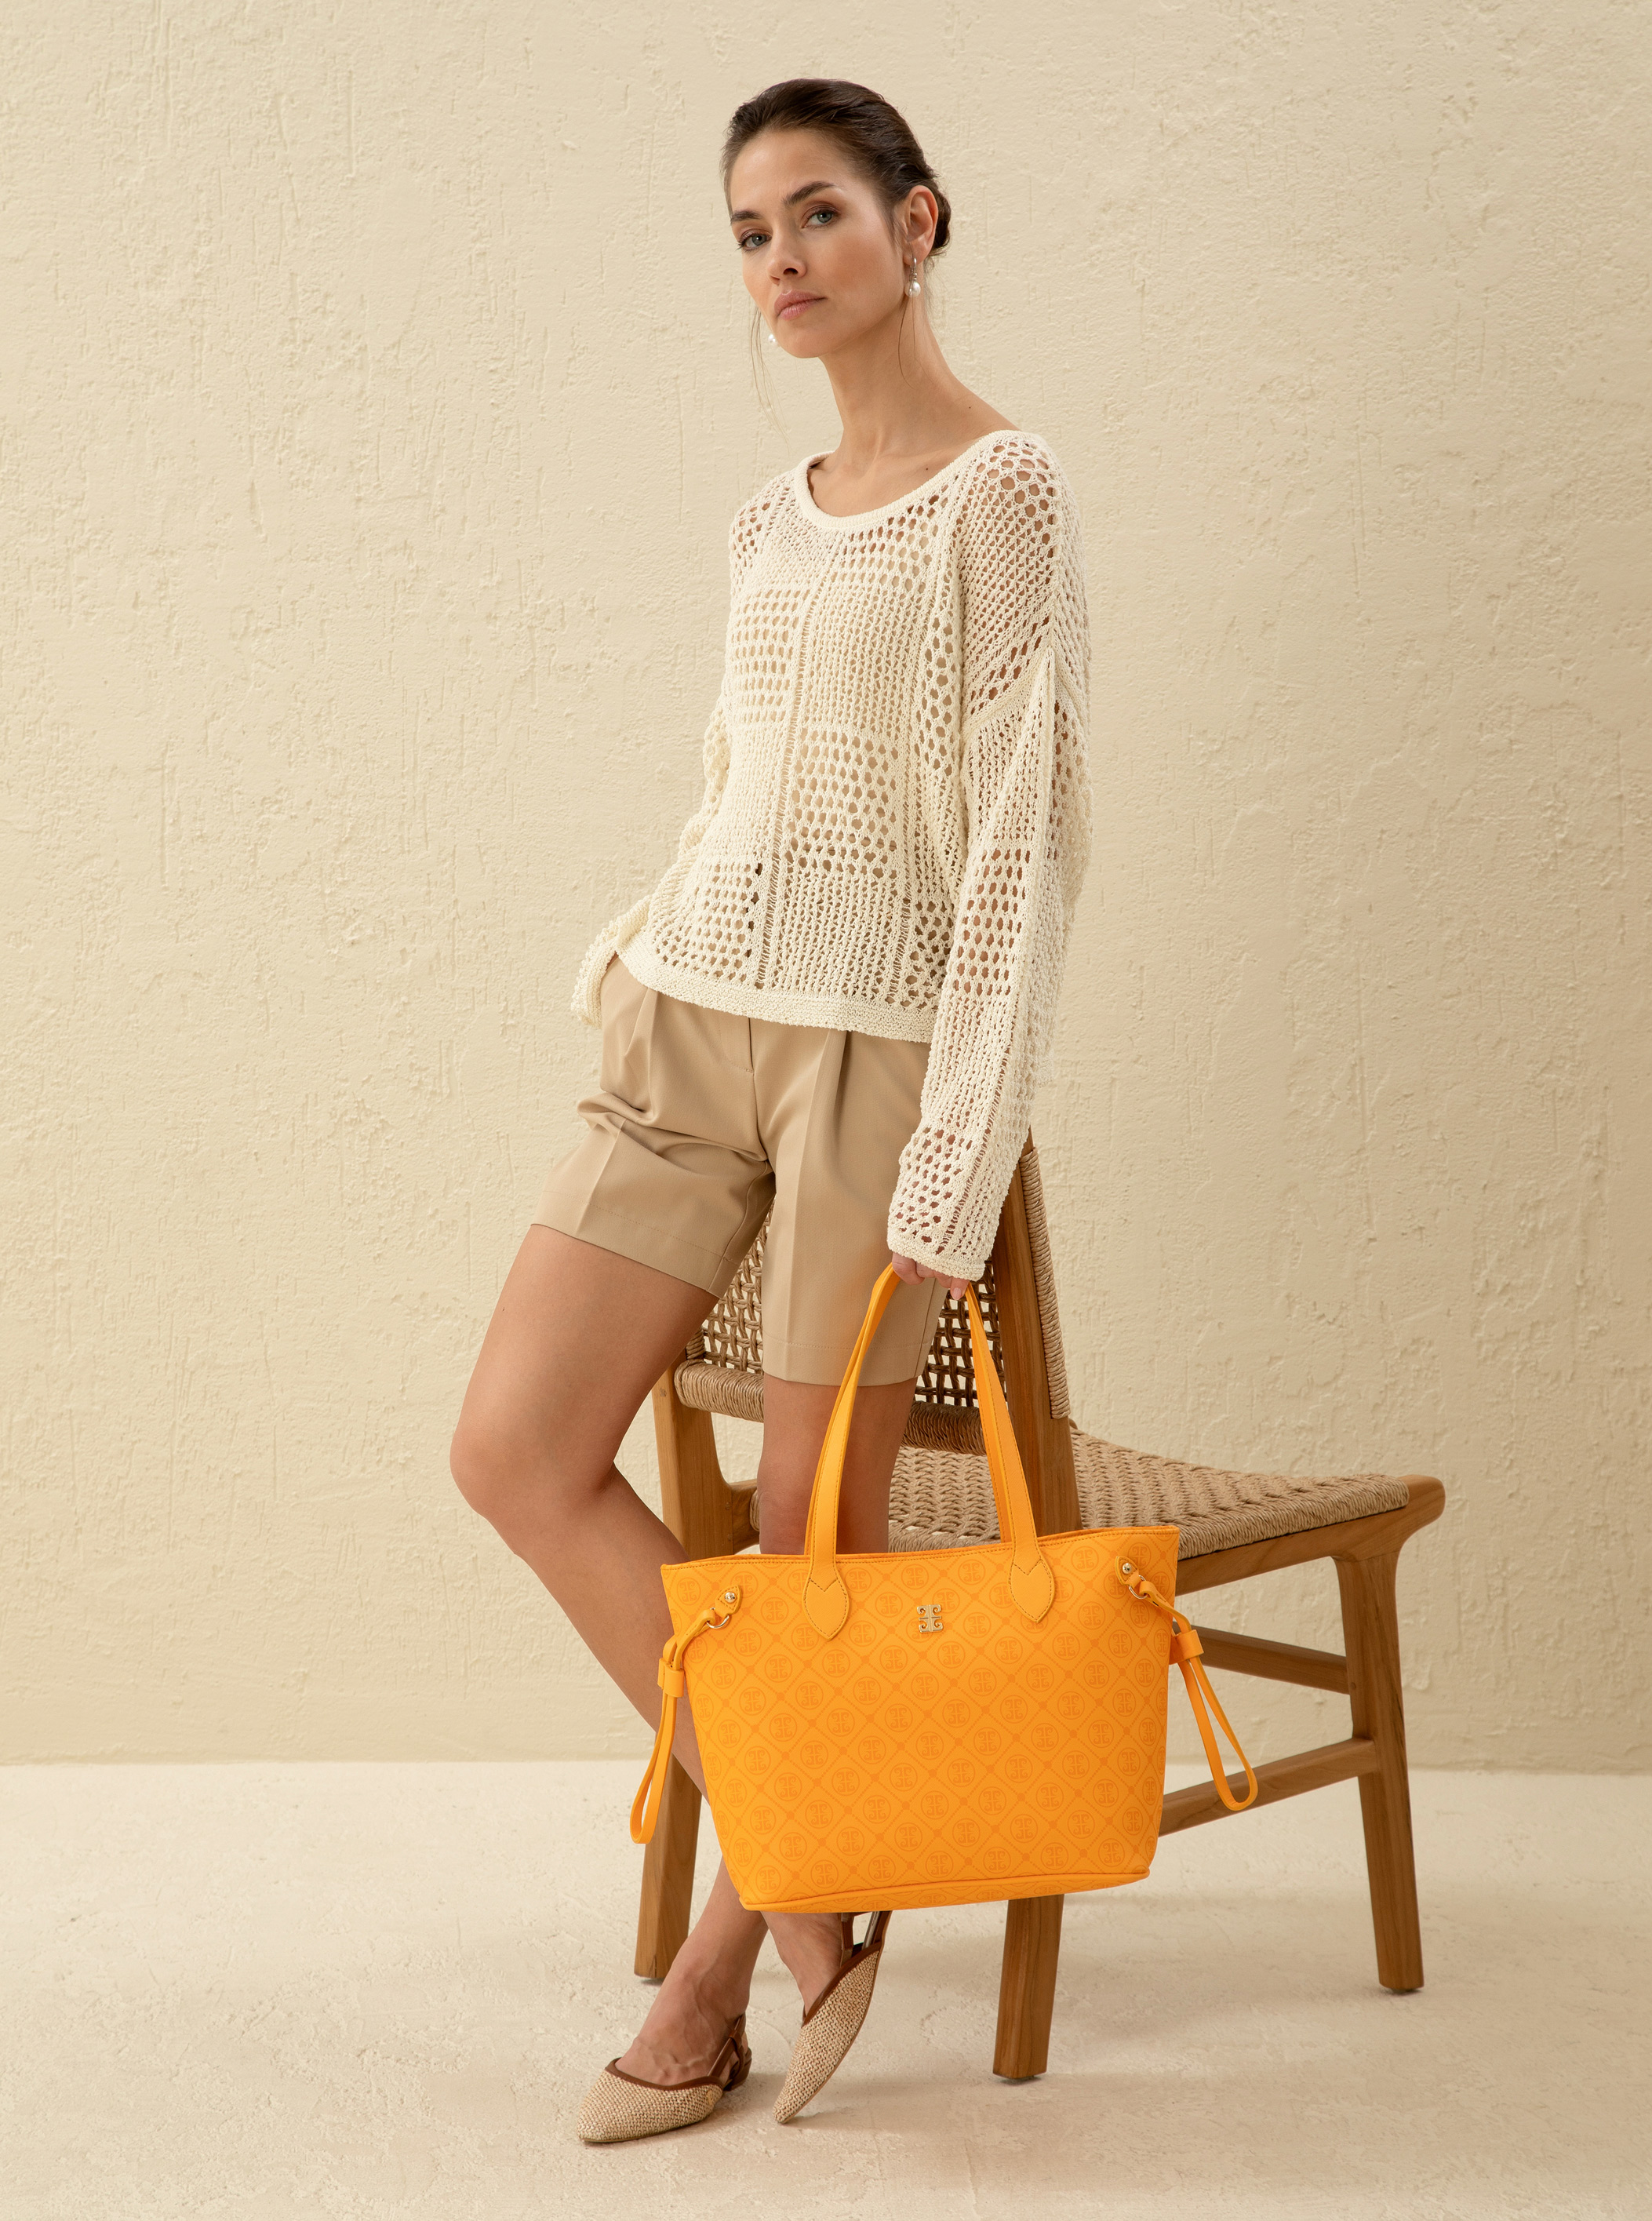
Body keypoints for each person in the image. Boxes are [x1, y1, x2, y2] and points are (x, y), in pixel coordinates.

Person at [449, 75, 1093, 2142]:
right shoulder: (764, 519)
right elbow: (748, 778)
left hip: (876, 1057)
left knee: (810, 1539)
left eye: (818, 212)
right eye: (749, 232)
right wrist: (643, 944)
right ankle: (818, 1868)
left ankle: (718, 1969)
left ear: (919, 223)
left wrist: (952, 1157)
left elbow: (1021, 847)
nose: (783, 260)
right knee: (513, 1449)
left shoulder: (1005, 491)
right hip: (688, 1019)